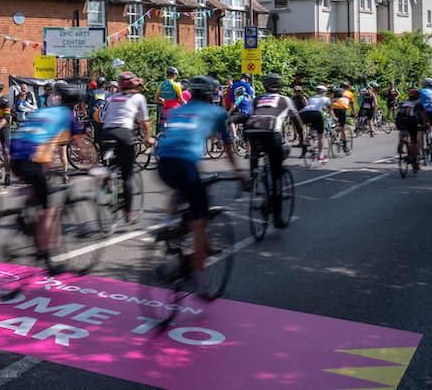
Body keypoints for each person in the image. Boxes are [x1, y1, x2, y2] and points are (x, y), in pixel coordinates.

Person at [157, 75, 243, 298]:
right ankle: (201, 280)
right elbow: (228, 149)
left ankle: (168, 225)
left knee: (178, 189)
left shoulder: (177, 110)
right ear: (211, 94)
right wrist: (240, 174)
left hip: (163, 162)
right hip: (186, 163)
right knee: (199, 222)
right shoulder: (216, 113)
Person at [10, 83, 85, 274]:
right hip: (32, 160)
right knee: (48, 211)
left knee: (36, 186)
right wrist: (93, 168)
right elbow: (81, 147)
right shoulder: (68, 116)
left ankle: (24, 218)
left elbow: (39, 138)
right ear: (75, 103)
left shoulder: (45, 111)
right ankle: (46, 255)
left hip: (15, 155)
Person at [101, 72, 154, 224]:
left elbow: (105, 116)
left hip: (106, 133)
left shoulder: (112, 97)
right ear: (135, 85)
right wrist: (147, 138)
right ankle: (129, 212)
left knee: (111, 163)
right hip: (124, 133)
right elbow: (145, 121)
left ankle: (107, 179)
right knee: (127, 175)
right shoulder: (139, 98)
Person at [245, 74, 302, 194]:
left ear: (264, 86)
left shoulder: (256, 99)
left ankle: (253, 176)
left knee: (255, 152)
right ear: (280, 86)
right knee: (276, 162)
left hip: (252, 130)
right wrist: (302, 139)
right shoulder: (285, 100)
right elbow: (297, 120)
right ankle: (276, 193)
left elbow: (248, 116)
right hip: (271, 132)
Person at [395, 88, 427, 171]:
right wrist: (425, 124)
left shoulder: (403, 103)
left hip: (400, 120)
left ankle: (401, 142)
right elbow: (423, 115)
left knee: (403, 131)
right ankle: (415, 163)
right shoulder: (419, 104)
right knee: (414, 140)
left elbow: (398, 112)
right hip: (412, 121)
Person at [300, 85, 331, 163]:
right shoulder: (326, 99)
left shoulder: (311, 98)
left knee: (310, 128)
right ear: (324, 92)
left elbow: (310, 107)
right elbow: (330, 110)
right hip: (316, 114)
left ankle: (306, 140)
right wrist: (334, 118)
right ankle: (320, 156)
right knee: (321, 136)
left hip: (304, 113)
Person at [330, 87, 351, 154]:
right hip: (342, 111)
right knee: (343, 128)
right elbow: (348, 107)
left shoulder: (332, 99)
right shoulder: (345, 98)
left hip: (333, 110)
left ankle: (334, 134)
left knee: (334, 124)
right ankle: (345, 147)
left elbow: (329, 106)